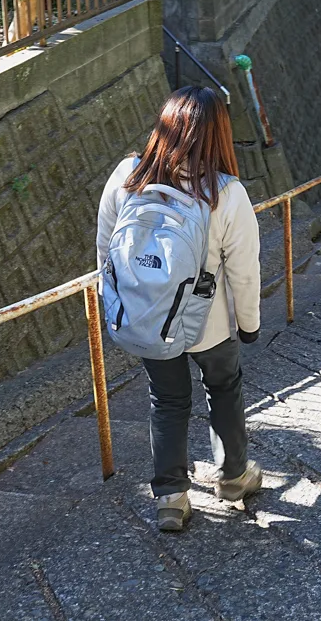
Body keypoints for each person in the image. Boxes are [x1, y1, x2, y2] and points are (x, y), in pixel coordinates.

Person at [95, 86, 263, 531]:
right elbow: (245, 271)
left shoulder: (127, 176)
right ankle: (232, 478)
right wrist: (249, 324)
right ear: (220, 135)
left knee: (166, 399)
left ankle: (171, 496)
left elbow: (106, 250)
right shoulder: (225, 193)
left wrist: (117, 306)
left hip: (151, 318)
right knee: (223, 389)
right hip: (210, 324)